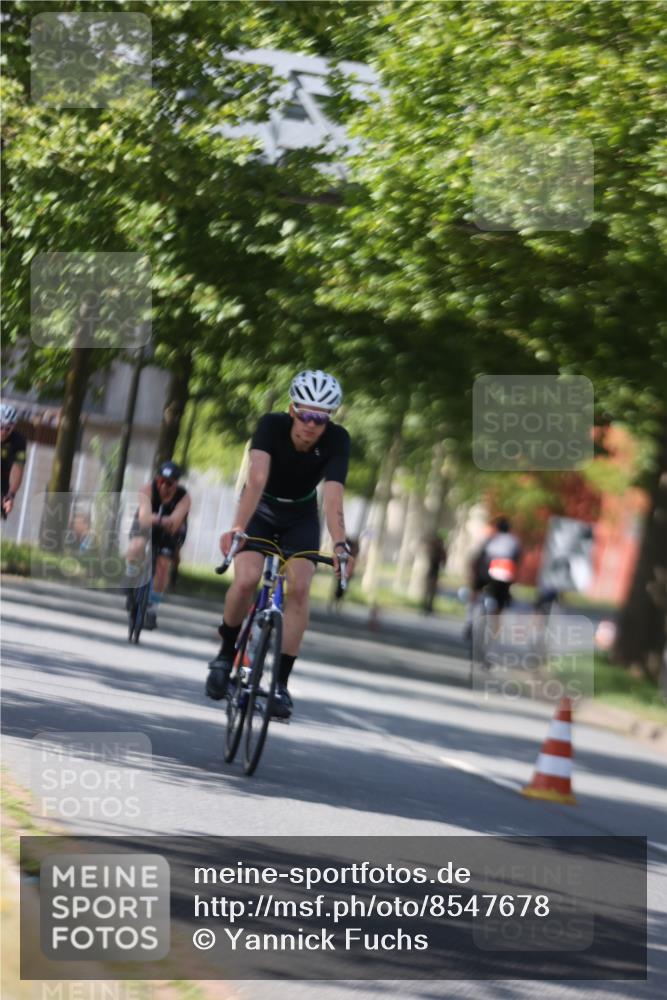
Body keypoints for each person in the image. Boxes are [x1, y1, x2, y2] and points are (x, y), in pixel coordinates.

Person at [206, 369, 356, 719]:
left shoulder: (337, 440)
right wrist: (238, 526)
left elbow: (333, 497)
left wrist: (340, 545)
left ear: (329, 420)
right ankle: (225, 654)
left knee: (300, 588)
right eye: (305, 415)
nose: (311, 425)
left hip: (301, 516)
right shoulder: (270, 426)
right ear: (292, 410)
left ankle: (280, 685)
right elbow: (256, 479)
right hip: (260, 508)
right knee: (246, 579)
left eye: (321, 419)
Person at [126, 460, 191, 630]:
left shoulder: (184, 497)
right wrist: (159, 519)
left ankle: (152, 609)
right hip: (146, 524)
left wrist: (161, 520)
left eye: (169, 483)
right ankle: (130, 578)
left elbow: (175, 522)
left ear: (176, 484)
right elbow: (144, 518)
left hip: (171, 530)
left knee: (163, 566)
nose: (163, 486)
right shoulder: (147, 489)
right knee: (136, 546)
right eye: (161, 481)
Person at [464, 515, 522, 637]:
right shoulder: (515, 541)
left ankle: (470, 619)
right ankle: (495, 627)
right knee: (501, 600)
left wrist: (472, 573)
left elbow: (478, 556)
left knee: (475, 592)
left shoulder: (491, 538)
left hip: (487, 571)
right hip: (505, 575)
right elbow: (517, 561)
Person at [1, 404, 26, 519]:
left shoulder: (18, 441)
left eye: (8, 428)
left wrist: (11, 495)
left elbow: (18, 469)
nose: (3, 431)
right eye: (1, 426)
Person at [329, 536, 360, 611]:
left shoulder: (354, 547)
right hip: (342, 567)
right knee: (338, 586)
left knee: (343, 588)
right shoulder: (347, 544)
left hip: (347, 569)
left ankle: (337, 604)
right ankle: (333, 602)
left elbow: (355, 558)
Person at [422, 532, 447, 615]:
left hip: (434, 571)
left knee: (430, 590)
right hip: (431, 571)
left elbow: (443, 559)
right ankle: (426, 606)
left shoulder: (438, 550)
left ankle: (428, 606)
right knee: (429, 589)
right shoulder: (434, 549)